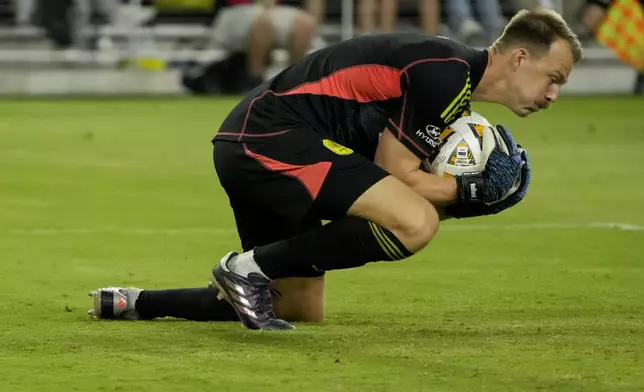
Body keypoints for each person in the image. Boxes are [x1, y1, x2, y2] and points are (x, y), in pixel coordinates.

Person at [89, 9, 582, 330]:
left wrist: (460, 197)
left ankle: (136, 301)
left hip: (261, 142)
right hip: (271, 138)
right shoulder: (446, 74)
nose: (554, 94)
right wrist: (467, 192)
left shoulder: (449, 78)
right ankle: (245, 267)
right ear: (520, 58)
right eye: (553, 78)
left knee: (298, 310)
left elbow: (389, 186)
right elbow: (400, 180)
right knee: (416, 221)